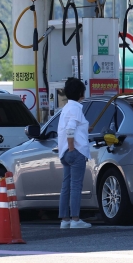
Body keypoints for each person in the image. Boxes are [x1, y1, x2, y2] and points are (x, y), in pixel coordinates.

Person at [58, 78, 92, 229]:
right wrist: (72, 146)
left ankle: (65, 219)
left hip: (64, 153)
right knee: (76, 186)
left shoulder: (66, 108)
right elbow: (70, 129)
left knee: (66, 186)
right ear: (80, 93)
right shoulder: (76, 108)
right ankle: (75, 219)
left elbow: (73, 127)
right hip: (75, 151)